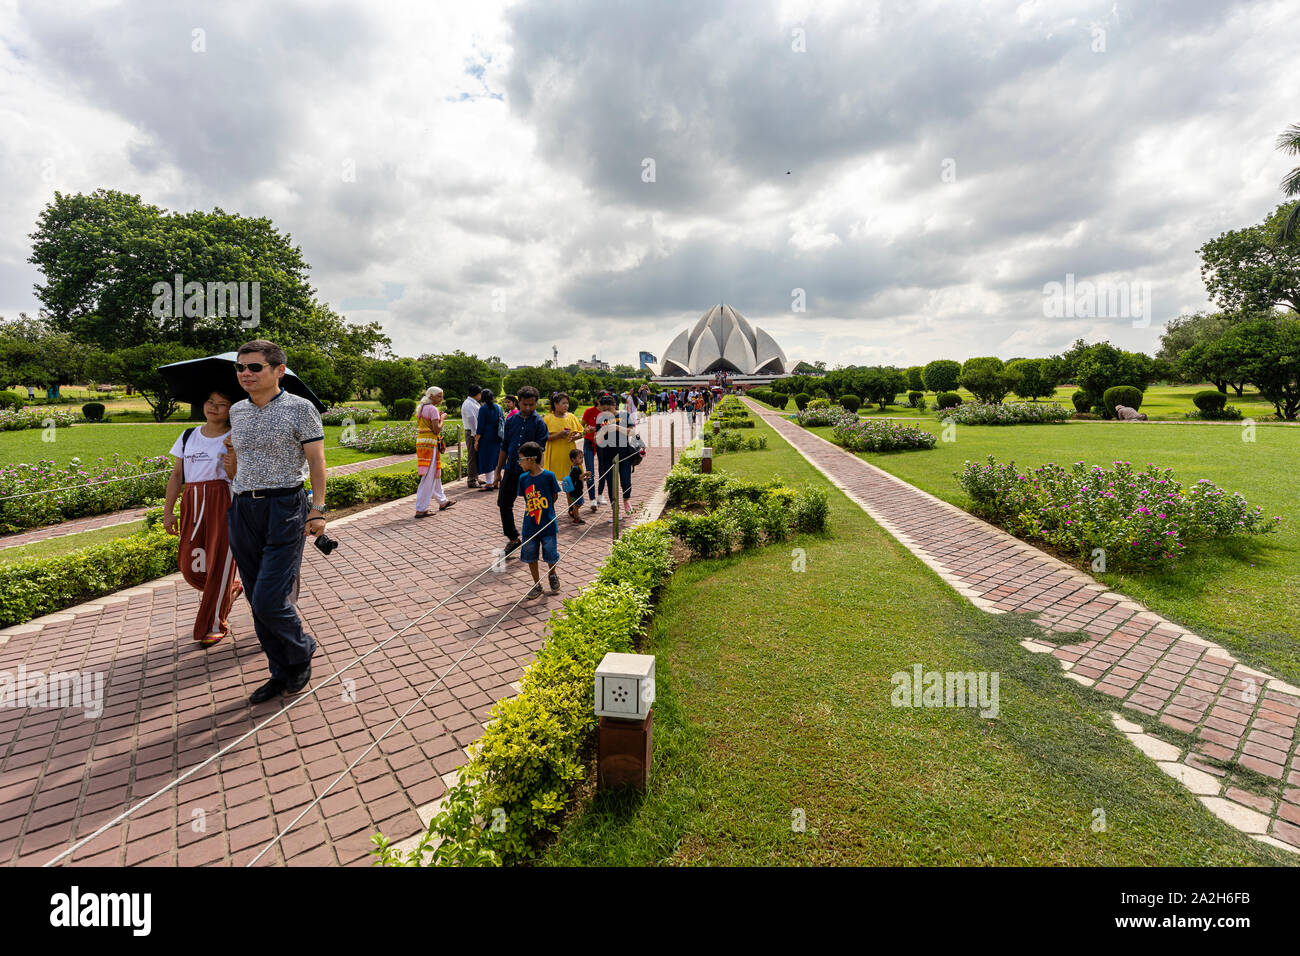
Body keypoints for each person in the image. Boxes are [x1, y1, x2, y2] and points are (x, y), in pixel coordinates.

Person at [224, 339, 327, 705]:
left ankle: (301, 650)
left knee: (269, 598)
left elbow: (316, 462)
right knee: (255, 596)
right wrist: (234, 469)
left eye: (254, 367)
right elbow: (240, 457)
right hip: (243, 509)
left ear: (278, 370)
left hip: (285, 506)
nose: (245, 374)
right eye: (240, 367)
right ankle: (278, 669)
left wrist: (319, 509)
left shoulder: (301, 409)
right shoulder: (236, 411)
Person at [163, 389, 242, 647]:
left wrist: (234, 456)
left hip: (223, 501)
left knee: (219, 565)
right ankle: (230, 589)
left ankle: (214, 624)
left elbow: (238, 476)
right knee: (190, 566)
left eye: (222, 404)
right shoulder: (188, 436)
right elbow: (177, 476)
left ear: (232, 409)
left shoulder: (235, 436)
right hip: (193, 501)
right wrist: (168, 511)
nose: (214, 407)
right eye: (210, 401)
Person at [495, 385, 548, 558]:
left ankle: (533, 539)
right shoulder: (511, 420)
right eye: (524, 404)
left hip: (529, 473)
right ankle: (513, 538)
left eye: (531, 405)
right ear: (519, 402)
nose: (527, 408)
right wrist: (498, 470)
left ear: (536, 403)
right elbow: (504, 447)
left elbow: (540, 452)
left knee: (533, 507)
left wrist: (539, 474)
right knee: (503, 503)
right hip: (511, 470)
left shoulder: (539, 423)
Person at [515, 441, 561, 599]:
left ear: (531, 459)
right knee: (530, 554)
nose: (519, 463)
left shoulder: (549, 476)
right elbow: (526, 500)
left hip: (547, 523)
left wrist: (546, 509)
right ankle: (537, 584)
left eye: (521, 460)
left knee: (550, 552)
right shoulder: (523, 478)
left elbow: (554, 496)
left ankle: (552, 574)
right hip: (529, 525)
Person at [414, 386, 454, 517]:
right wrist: (442, 418)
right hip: (430, 444)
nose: (441, 399)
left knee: (433, 474)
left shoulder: (422, 408)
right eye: (439, 396)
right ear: (431, 396)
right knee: (429, 476)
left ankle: (442, 501)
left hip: (422, 442)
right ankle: (421, 508)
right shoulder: (432, 409)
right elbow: (437, 429)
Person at [594, 393, 636, 519]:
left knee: (626, 481)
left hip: (623, 454)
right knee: (611, 484)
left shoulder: (624, 415)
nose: (606, 412)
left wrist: (616, 428)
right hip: (607, 455)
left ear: (615, 405)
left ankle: (626, 500)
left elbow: (632, 431)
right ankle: (615, 511)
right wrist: (603, 431)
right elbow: (596, 438)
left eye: (608, 409)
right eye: (603, 410)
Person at [543, 391, 581, 479]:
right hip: (554, 454)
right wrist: (558, 435)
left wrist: (576, 436)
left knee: (572, 478)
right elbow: (544, 438)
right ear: (555, 404)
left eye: (567, 403)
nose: (566, 405)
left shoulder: (571, 416)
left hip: (570, 453)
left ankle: (570, 493)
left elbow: (580, 431)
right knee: (552, 479)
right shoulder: (547, 419)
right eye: (563, 403)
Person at [476, 388, 504, 490]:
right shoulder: (498, 407)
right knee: (497, 459)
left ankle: (489, 483)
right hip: (498, 436)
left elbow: (480, 426)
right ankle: (497, 481)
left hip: (487, 437)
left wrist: (476, 440)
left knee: (487, 459)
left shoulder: (483, 409)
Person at [581, 395, 603, 511]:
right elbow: (581, 426)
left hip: (603, 444)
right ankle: (592, 499)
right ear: (597, 399)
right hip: (589, 443)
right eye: (601, 399)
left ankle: (600, 494)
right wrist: (586, 429)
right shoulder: (589, 411)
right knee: (590, 471)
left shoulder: (608, 414)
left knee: (603, 469)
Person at [460, 386, 482, 488]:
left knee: (476, 455)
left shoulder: (472, 403)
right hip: (472, 432)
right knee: (472, 456)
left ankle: (475, 477)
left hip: (474, 432)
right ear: (477, 394)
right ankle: (472, 480)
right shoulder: (468, 404)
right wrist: (475, 435)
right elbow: (472, 420)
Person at [562, 448, 587, 524]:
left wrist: (584, 478)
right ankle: (576, 519)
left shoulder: (575, 468)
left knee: (578, 504)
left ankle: (574, 514)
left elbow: (577, 479)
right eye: (580, 458)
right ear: (573, 459)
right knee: (578, 504)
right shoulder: (574, 470)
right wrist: (585, 474)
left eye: (582, 457)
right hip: (576, 492)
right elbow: (578, 477)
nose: (582, 459)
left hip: (576, 490)